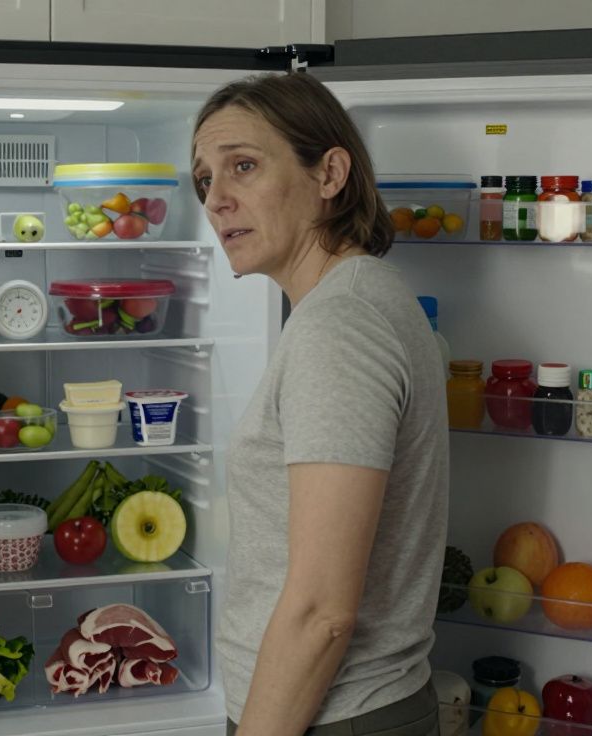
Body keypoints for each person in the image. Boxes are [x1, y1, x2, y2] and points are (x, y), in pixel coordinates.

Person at [191, 72, 449, 736]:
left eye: (242, 166)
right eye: (204, 181)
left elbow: (321, 613)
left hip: (329, 717)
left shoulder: (340, 328)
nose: (217, 200)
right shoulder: (358, 302)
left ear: (329, 172)